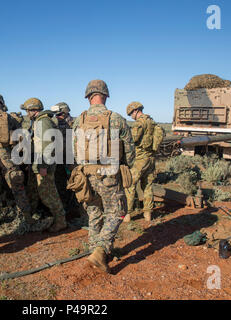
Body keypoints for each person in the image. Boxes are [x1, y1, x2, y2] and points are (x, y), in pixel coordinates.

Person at [72, 80, 134, 273]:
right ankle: (100, 251)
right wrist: (126, 165)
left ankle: (94, 251)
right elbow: (130, 150)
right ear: (105, 95)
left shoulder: (78, 119)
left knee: (94, 212)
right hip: (108, 174)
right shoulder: (116, 118)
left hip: (86, 174)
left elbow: (74, 149)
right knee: (117, 212)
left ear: (89, 96)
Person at [0, 94, 34, 229]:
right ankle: (27, 217)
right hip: (7, 155)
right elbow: (19, 134)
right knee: (17, 184)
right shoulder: (8, 117)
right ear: (2, 103)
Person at [22, 98, 67, 232]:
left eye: (27, 111)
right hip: (39, 163)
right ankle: (32, 216)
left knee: (48, 194)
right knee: (36, 191)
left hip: (44, 164)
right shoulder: (40, 121)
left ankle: (61, 221)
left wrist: (43, 166)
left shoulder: (43, 122)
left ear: (33, 110)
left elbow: (46, 145)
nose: (26, 114)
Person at [124, 102, 162, 222]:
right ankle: (148, 214)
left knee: (130, 185)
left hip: (140, 159)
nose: (131, 116)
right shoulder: (151, 121)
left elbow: (133, 139)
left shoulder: (139, 123)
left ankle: (127, 214)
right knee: (147, 186)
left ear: (135, 111)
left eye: (131, 114)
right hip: (151, 158)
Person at [50, 102, 75, 214]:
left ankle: (75, 207)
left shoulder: (74, 122)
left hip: (70, 157)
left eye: (59, 114)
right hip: (59, 158)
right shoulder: (55, 122)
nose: (57, 116)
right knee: (60, 182)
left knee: (74, 181)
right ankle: (65, 207)